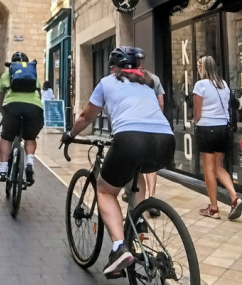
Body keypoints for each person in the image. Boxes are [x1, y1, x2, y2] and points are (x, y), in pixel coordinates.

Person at [62, 47, 175, 278]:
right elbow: (159, 108)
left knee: (104, 190)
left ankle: (118, 249)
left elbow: (86, 116)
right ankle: (139, 220)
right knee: (138, 171)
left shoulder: (107, 82)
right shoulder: (149, 81)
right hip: (165, 141)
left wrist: (70, 135)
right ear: (137, 67)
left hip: (129, 139)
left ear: (114, 68)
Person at [193, 55, 242, 220]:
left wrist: (196, 121)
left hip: (207, 129)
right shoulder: (224, 85)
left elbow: (197, 112)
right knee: (218, 166)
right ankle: (234, 197)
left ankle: (214, 208)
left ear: (203, 68)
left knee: (208, 168)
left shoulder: (200, 85)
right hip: (223, 129)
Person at [0, 52, 44, 186]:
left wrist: (3, 113)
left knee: (6, 137)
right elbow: (39, 95)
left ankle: (3, 170)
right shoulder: (34, 75)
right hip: (34, 108)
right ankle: (29, 163)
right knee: (30, 137)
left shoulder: (6, 75)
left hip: (12, 108)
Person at [134, 48, 165, 214]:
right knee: (151, 165)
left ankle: (139, 202)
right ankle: (151, 199)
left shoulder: (128, 78)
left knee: (136, 165)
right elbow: (161, 104)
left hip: (135, 126)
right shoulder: (153, 78)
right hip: (153, 126)